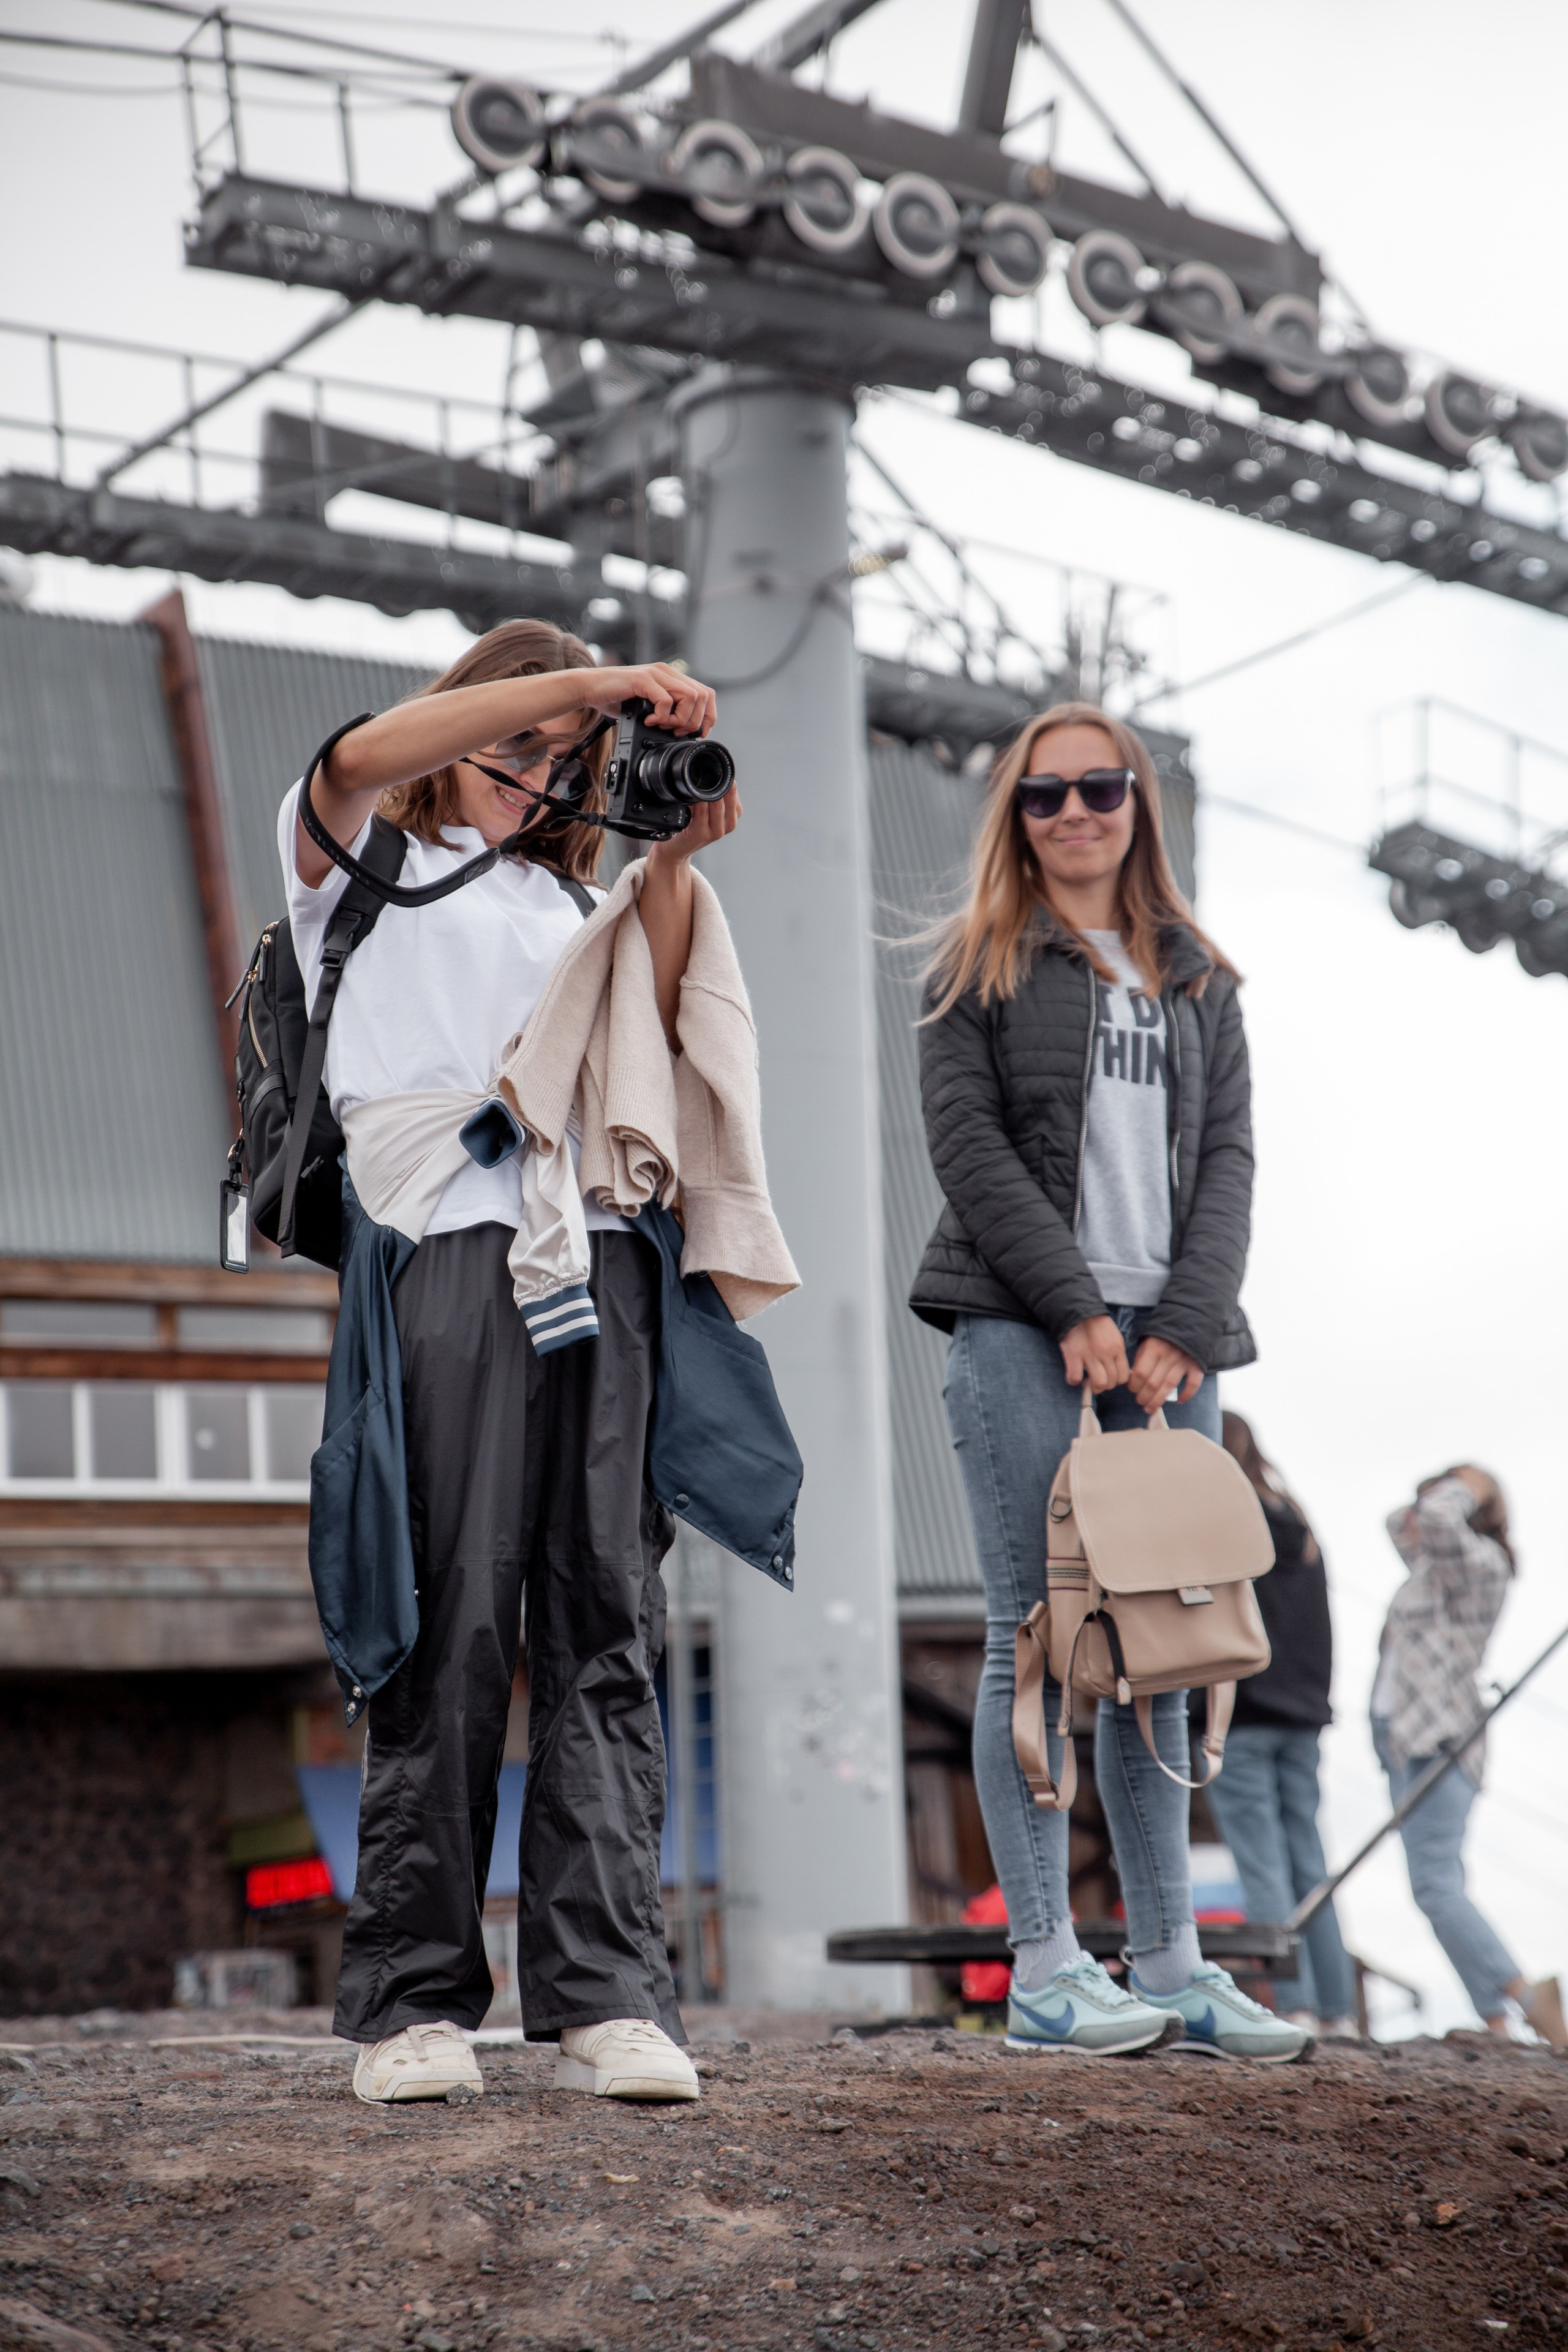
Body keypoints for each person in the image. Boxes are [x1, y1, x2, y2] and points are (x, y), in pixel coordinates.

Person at [281, 619, 742, 2106]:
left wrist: (677, 855)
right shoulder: (365, 866)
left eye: (561, 760)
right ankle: (415, 2000)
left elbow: (664, 1039)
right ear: (465, 712)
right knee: (450, 1607)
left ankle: (610, 1991)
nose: (529, 770)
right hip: (449, 1251)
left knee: (605, 1609)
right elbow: (357, 758)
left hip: (598, 1249)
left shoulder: (574, 902)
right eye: (510, 736)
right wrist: (581, 691)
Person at [911, 699, 1308, 2064]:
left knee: (1167, 1644)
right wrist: (1072, 1306)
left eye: (1098, 788)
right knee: (1032, 1639)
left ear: (1138, 804)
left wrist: (1183, 1320)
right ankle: (1040, 1968)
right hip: (1023, 1326)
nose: (1073, 812)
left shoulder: (1198, 975)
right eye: (1042, 796)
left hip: (1170, 1343)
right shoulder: (977, 965)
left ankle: (1170, 1964)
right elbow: (964, 1150)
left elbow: (1231, 1163)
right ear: (1012, 821)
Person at [1374, 1466, 1564, 2045]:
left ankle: (1528, 1997)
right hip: (1406, 1740)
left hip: (1442, 1739)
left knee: (1435, 1884)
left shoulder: (1480, 1566)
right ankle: (1498, 2022)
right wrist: (1429, 1497)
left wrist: (1473, 1481)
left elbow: (1431, 1518)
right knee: (1434, 1884)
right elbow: (1396, 1524)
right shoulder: (1435, 1572)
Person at [1199, 1412, 1357, 2038]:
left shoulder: (1223, 1520)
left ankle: (1292, 2005)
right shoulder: (1298, 1523)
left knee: (1261, 1865)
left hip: (1240, 1715)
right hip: (1303, 1718)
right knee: (1308, 1864)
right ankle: (1337, 2011)